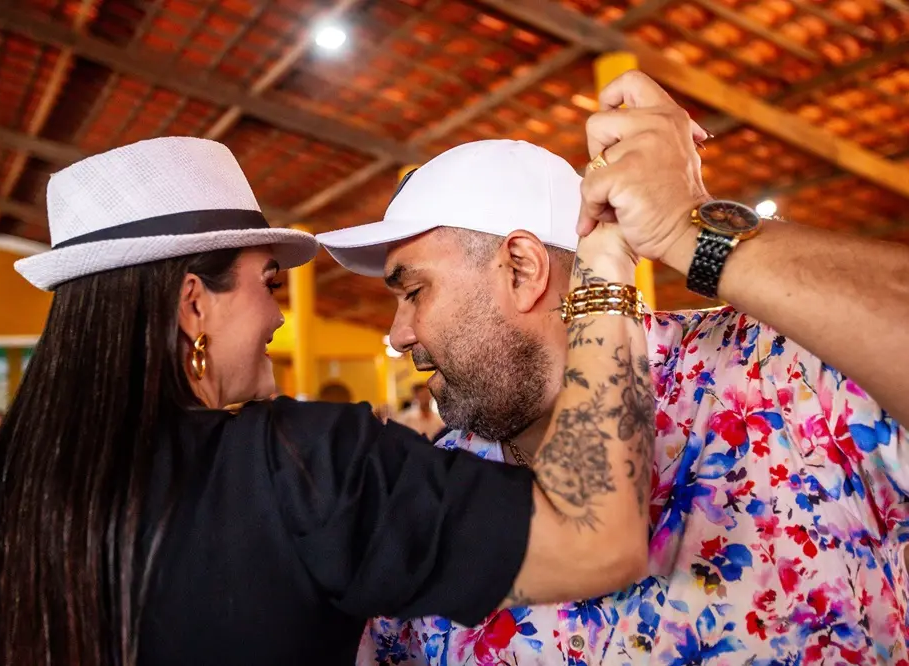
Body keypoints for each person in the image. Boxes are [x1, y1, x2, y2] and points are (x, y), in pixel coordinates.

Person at [0, 136, 654, 666]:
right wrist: (606, 269)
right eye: (269, 283)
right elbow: (600, 538)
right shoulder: (299, 468)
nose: (282, 316)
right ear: (193, 307)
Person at [316, 73, 909, 665]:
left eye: (413, 292)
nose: (397, 336)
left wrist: (690, 228)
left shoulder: (773, 376)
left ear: (521, 269)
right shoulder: (435, 503)